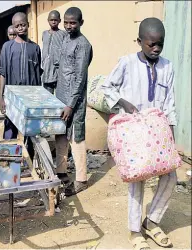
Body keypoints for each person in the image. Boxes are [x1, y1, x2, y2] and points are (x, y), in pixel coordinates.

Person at [101, 17, 176, 250]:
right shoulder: (126, 63)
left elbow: (170, 102)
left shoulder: (167, 66)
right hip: (133, 130)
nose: (155, 49)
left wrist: (171, 135)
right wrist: (124, 101)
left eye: (159, 44)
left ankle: (151, 222)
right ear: (139, 41)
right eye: (150, 44)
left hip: (158, 129)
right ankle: (135, 231)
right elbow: (106, 87)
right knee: (138, 179)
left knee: (170, 176)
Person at [55, 7, 93, 196]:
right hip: (61, 95)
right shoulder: (65, 39)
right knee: (60, 133)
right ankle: (61, 172)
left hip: (74, 101)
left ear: (81, 23)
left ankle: (81, 179)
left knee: (76, 136)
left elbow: (80, 77)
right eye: (66, 23)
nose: (69, 26)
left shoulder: (83, 45)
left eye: (73, 23)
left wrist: (71, 104)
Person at [0, 12, 42, 160]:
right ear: (14, 27)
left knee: (30, 131)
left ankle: (29, 161)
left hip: (30, 97)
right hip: (12, 96)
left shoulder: (35, 48)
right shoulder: (7, 47)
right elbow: (3, 73)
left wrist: (38, 99)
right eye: (17, 26)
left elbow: (38, 76)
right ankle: (9, 161)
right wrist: (1, 97)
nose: (20, 28)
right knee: (10, 129)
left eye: (23, 24)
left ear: (28, 24)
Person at [41, 10, 67, 94]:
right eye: (51, 20)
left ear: (59, 20)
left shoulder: (63, 34)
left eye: (55, 20)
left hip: (58, 70)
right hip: (46, 70)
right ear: (48, 20)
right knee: (47, 96)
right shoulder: (44, 33)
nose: (53, 22)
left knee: (60, 96)